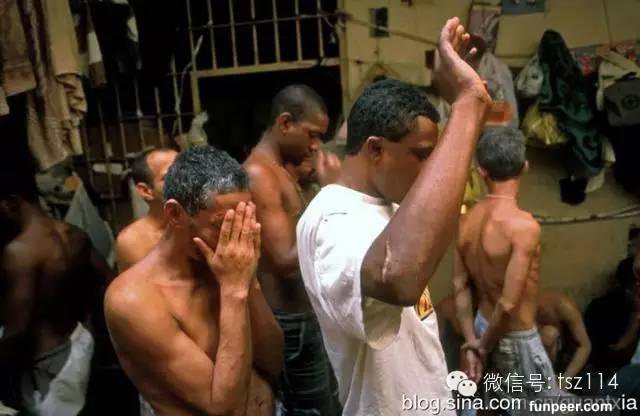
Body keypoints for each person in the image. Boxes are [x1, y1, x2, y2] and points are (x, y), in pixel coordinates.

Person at [296, 17, 491, 415]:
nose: (429, 171)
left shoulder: (389, 201)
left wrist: (459, 101)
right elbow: (398, 278)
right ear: (375, 150)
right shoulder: (332, 220)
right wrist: (468, 104)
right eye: (421, 156)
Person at [104, 145, 284, 416]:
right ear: (176, 214)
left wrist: (250, 283)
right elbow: (226, 408)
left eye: (244, 219)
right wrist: (234, 291)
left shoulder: (226, 264)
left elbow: (274, 362)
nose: (238, 236)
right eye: (223, 224)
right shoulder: (134, 300)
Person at [454, 126, 569, 412]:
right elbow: (507, 304)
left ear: (481, 171)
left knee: (492, 406)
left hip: (481, 325)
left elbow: (460, 286)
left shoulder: (466, 222)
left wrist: (471, 341)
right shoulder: (523, 227)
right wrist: (483, 347)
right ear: (525, 167)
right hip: (512, 336)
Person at [244, 85, 342, 415]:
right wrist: (333, 196)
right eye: (312, 135)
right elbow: (286, 260)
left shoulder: (281, 171)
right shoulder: (259, 174)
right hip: (290, 322)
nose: (316, 146)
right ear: (285, 123)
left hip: (304, 316)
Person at [0, 172, 113, 415]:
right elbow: (108, 285)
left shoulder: (19, 251)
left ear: (11, 203)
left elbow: (18, 330)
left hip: (47, 362)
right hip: (79, 341)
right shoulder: (73, 234)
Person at [115, 148, 178, 271]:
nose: (186, 180)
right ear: (146, 191)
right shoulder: (133, 241)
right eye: (171, 176)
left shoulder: (204, 219)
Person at [537, 288, 591, 378]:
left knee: (549, 334)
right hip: (541, 363)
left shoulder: (564, 307)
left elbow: (585, 346)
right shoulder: (521, 309)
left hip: (567, 359)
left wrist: (565, 379)